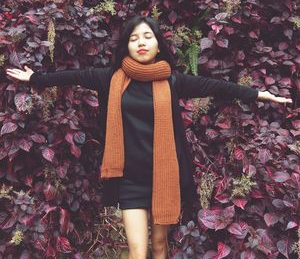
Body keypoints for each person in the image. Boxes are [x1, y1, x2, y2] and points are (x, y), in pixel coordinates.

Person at [5, 15, 292, 259]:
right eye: (133, 38)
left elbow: (217, 86)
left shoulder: (173, 81)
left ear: (157, 45)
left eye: (147, 36)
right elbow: (71, 76)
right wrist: (36, 79)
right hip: (130, 178)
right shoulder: (110, 78)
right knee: (137, 251)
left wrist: (258, 94)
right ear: (126, 46)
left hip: (163, 177)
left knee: (158, 246)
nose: (141, 42)